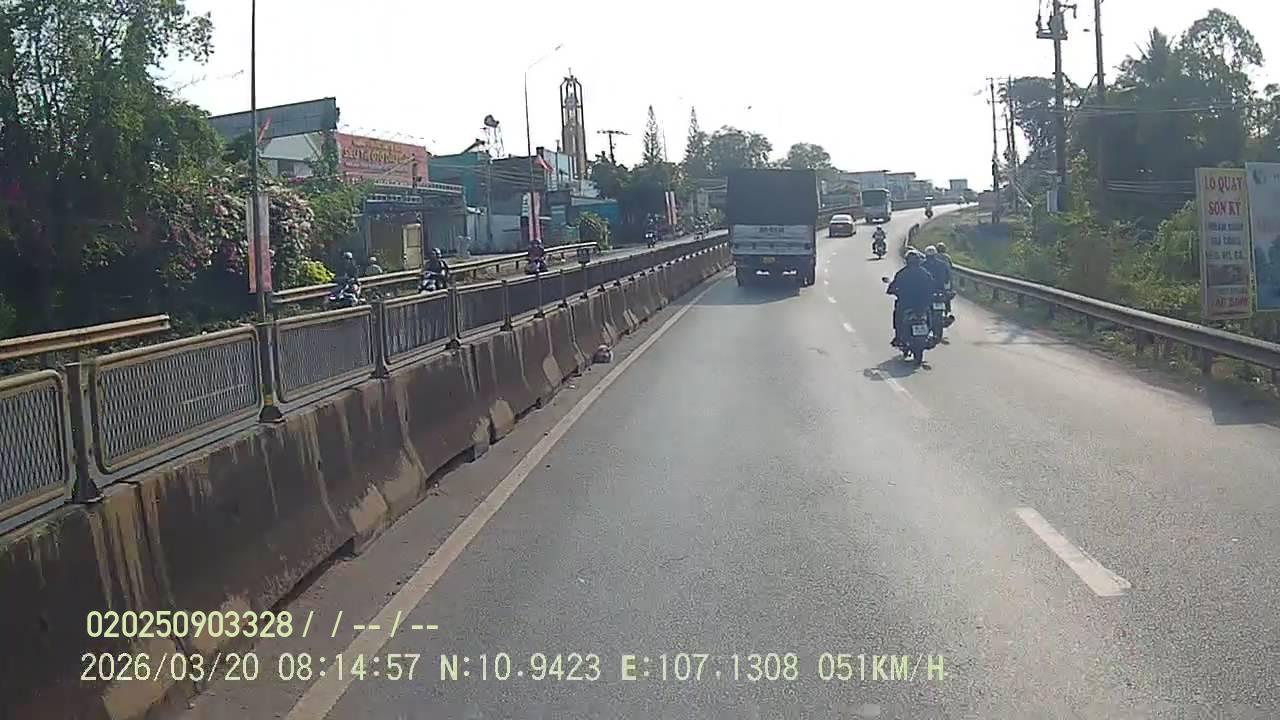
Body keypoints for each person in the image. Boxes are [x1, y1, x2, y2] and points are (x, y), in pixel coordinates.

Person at [887, 250, 937, 347]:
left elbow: (892, 287)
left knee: (898, 316)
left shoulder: (902, 273)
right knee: (929, 315)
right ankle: (931, 333)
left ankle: (898, 337)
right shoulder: (925, 273)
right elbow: (932, 286)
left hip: (906, 304)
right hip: (922, 304)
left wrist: (892, 291)